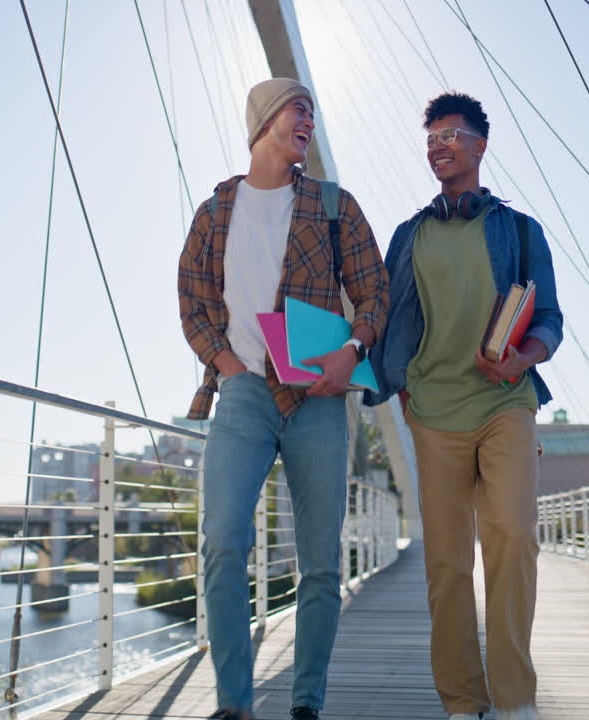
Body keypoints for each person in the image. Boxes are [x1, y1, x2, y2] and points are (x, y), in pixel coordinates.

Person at [178, 77, 389, 720]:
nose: (310, 120)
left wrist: (351, 352)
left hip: (318, 399)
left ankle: (305, 704)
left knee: (321, 564)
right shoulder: (216, 211)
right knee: (221, 541)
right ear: (266, 119)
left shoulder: (334, 206)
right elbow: (192, 298)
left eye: (313, 112)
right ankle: (235, 706)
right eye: (300, 108)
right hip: (242, 395)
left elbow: (375, 292)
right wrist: (227, 364)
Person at [365, 91, 563, 720]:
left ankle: (515, 698)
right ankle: (461, 700)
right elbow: (389, 317)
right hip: (432, 410)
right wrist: (397, 385)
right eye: (430, 140)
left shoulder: (520, 229)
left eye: (450, 136)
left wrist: (522, 358)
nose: (438, 148)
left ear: (480, 144)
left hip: (506, 401)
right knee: (447, 560)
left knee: (511, 533)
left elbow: (551, 320)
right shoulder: (410, 235)